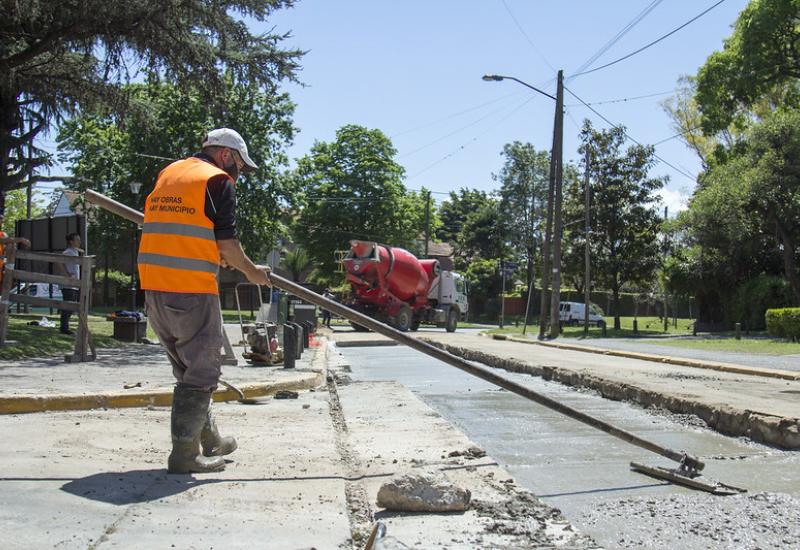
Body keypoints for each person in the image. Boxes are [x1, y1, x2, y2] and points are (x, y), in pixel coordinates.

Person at [138, 128, 271, 474]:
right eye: (240, 165)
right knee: (201, 372)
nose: (238, 174)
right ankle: (184, 456)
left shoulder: (169, 174)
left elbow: (182, 229)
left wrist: (212, 251)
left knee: (188, 369)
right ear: (226, 155)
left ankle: (209, 440)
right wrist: (251, 271)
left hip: (154, 286)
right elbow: (227, 244)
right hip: (190, 288)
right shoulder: (217, 180)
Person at [57, 233, 82, 335]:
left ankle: (65, 327)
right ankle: (64, 329)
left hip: (74, 284)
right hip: (68, 284)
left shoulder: (75, 252)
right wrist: (66, 274)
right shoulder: (68, 252)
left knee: (71, 307)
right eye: (77, 240)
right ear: (71, 241)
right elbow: (59, 262)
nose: (79, 242)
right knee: (68, 306)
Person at [0, 210, 31, 286]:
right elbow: (4, 240)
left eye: (1, 220)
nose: (1, 222)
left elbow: (7, 246)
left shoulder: (2, 234)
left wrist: (13, 247)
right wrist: (21, 239)